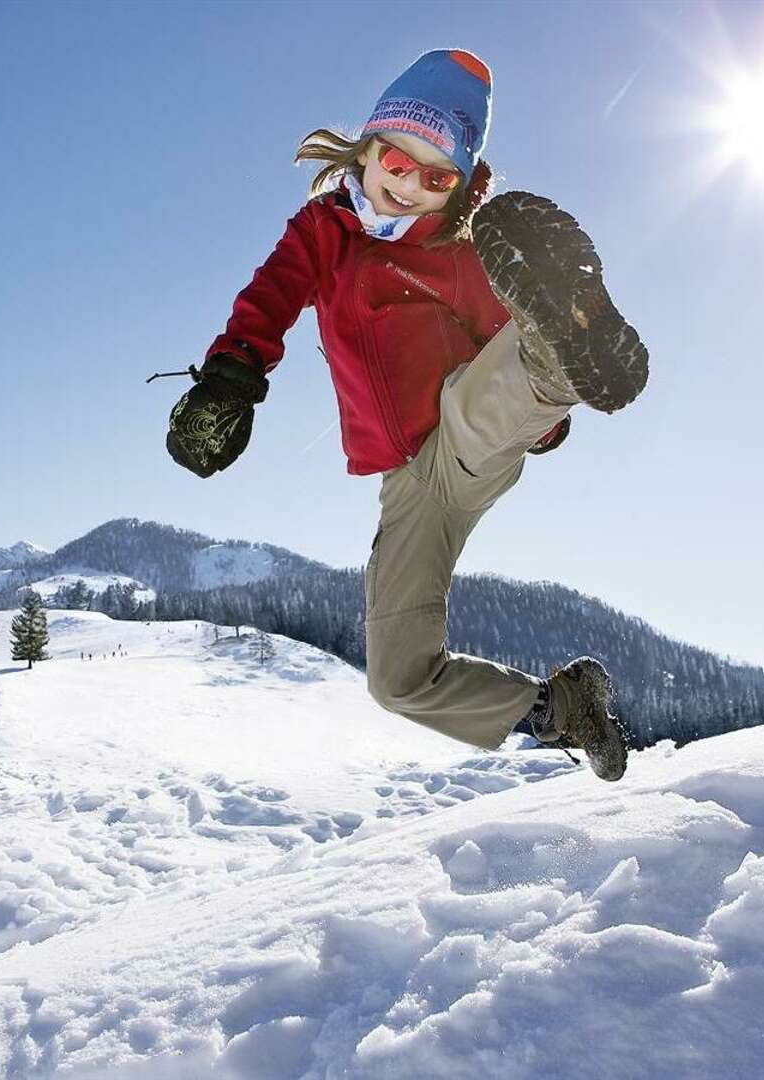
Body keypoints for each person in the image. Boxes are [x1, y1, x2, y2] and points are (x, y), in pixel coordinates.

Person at [164, 50, 648, 781]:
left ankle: (564, 337)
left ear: (458, 188)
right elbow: (273, 293)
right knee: (397, 680)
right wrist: (233, 374)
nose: (407, 184)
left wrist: (545, 402)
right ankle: (558, 709)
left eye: (436, 177)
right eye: (396, 158)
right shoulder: (325, 232)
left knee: (479, 404)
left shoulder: (465, 248)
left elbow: (494, 339)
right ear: (366, 147)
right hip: (407, 484)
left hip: (464, 433)